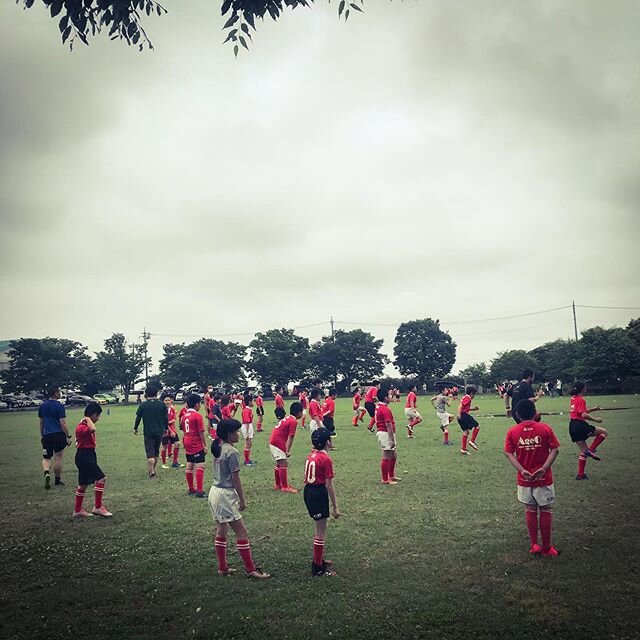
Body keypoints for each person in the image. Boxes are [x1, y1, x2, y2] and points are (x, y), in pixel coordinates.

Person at [209, 419, 270, 579]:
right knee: (242, 532)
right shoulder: (232, 452)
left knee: (221, 529)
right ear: (229, 434)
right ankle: (251, 570)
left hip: (214, 491)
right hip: (225, 495)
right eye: (236, 432)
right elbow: (236, 479)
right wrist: (242, 499)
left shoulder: (218, 447)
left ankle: (222, 567)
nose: (239, 434)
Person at [504, 399, 560, 556]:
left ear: (517, 415)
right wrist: (544, 468)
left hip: (525, 479)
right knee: (546, 509)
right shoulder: (545, 428)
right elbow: (555, 449)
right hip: (544, 478)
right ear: (535, 413)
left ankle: (534, 544)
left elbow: (508, 453)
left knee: (529, 509)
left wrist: (522, 470)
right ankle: (547, 548)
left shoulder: (512, 431)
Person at [304, 427, 340, 577]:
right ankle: (317, 567)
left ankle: (319, 559)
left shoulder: (311, 455)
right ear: (327, 442)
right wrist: (335, 507)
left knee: (319, 528)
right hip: (318, 493)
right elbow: (329, 485)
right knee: (320, 531)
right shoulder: (326, 459)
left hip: (308, 491)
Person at [73, 401, 112, 518]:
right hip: (84, 456)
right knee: (101, 478)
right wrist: (87, 419)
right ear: (93, 415)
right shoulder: (82, 427)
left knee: (83, 484)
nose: (98, 419)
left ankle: (77, 510)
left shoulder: (84, 425)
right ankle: (98, 507)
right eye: (98, 416)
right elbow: (92, 429)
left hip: (88, 454)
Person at [569, 381, 606, 480]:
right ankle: (591, 449)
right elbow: (583, 415)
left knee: (583, 452)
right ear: (583, 388)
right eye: (585, 387)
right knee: (604, 432)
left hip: (572, 426)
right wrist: (596, 420)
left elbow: (581, 411)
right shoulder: (581, 400)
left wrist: (593, 409)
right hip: (580, 426)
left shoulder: (573, 399)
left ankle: (580, 475)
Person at [39, 386, 71, 489]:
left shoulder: (42, 406)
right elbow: (63, 423)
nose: (60, 393)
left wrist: (42, 435)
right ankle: (57, 481)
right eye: (59, 392)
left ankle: (46, 472)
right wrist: (68, 435)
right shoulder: (59, 406)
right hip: (58, 435)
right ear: (56, 393)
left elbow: (41, 422)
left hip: (47, 435)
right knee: (58, 458)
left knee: (46, 458)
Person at [134, 386, 168, 479]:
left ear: (146, 394)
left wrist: (135, 428)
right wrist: (166, 428)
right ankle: (153, 469)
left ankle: (151, 471)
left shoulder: (143, 405)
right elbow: (166, 418)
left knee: (150, 452)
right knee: (156, 451)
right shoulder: (162, 405)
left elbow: (138, 418)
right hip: (159, 431)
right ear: (156, 394)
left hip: (148, 432)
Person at [270, 401, 303, 493]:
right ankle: (285, 487)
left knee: (279, 463)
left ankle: (278, 484)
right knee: (283, 464)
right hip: (277, 442)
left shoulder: (287, 418)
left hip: (273, 441)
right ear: (299, 413)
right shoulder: (293, 421)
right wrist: (287, 450)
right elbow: (291, 436)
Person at [181, 393, 207, 497]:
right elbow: (201, 432)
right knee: (201, 465)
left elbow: (183, 430)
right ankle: (199, 491)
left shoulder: (184, 416)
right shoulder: (197, 416)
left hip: (186, 440)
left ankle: (191, 489)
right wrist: (204, 445)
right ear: (196, 404)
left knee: (190, 465)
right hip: (195, 441)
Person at [376, 388, 400, 485]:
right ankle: (385, 479)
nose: (391, 397)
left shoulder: (379, 407)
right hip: (385, 433)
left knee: (393, 454)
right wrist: (391, 438)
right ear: (385, 397)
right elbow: (388, 425)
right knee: (387, 455)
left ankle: (391, 475)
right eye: (389, 395)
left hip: (384, 432)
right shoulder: (385, 409)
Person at [160, 395, 182, 469]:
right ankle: (164, 463)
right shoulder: (162, 411)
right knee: (164, 446)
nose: (167, 402)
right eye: (165, 400)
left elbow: (174, 419)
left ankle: (175, 462)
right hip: (165, 431)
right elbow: (164, 423)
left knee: (177, 443)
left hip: (172, 429)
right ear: (163, 401)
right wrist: (171, 430)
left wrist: (169, 422)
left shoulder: (172, 409)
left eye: (168, 400)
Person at [458, 385, 480, 455]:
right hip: (463, 415)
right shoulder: (468, 397)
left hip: (462, 415)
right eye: (474, 394)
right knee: (477, 426)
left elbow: (464, 407)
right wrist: (458, 414)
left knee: (466, 432)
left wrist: (473, 409)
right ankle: (472, 441)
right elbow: (461, 405)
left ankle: (463, 449)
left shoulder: (465, 397)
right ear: (471, 393)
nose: (474, 396)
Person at [240, 394, 257, 466]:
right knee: (248, 444)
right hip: (246, 426)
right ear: (249, 402)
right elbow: (247, 422)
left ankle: (247, 459)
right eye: (253, 401)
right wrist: (247, 433)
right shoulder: (246, 410)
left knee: (249, 444)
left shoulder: (249, 409)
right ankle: (246, 461)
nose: (253, 402)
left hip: (249, 426)